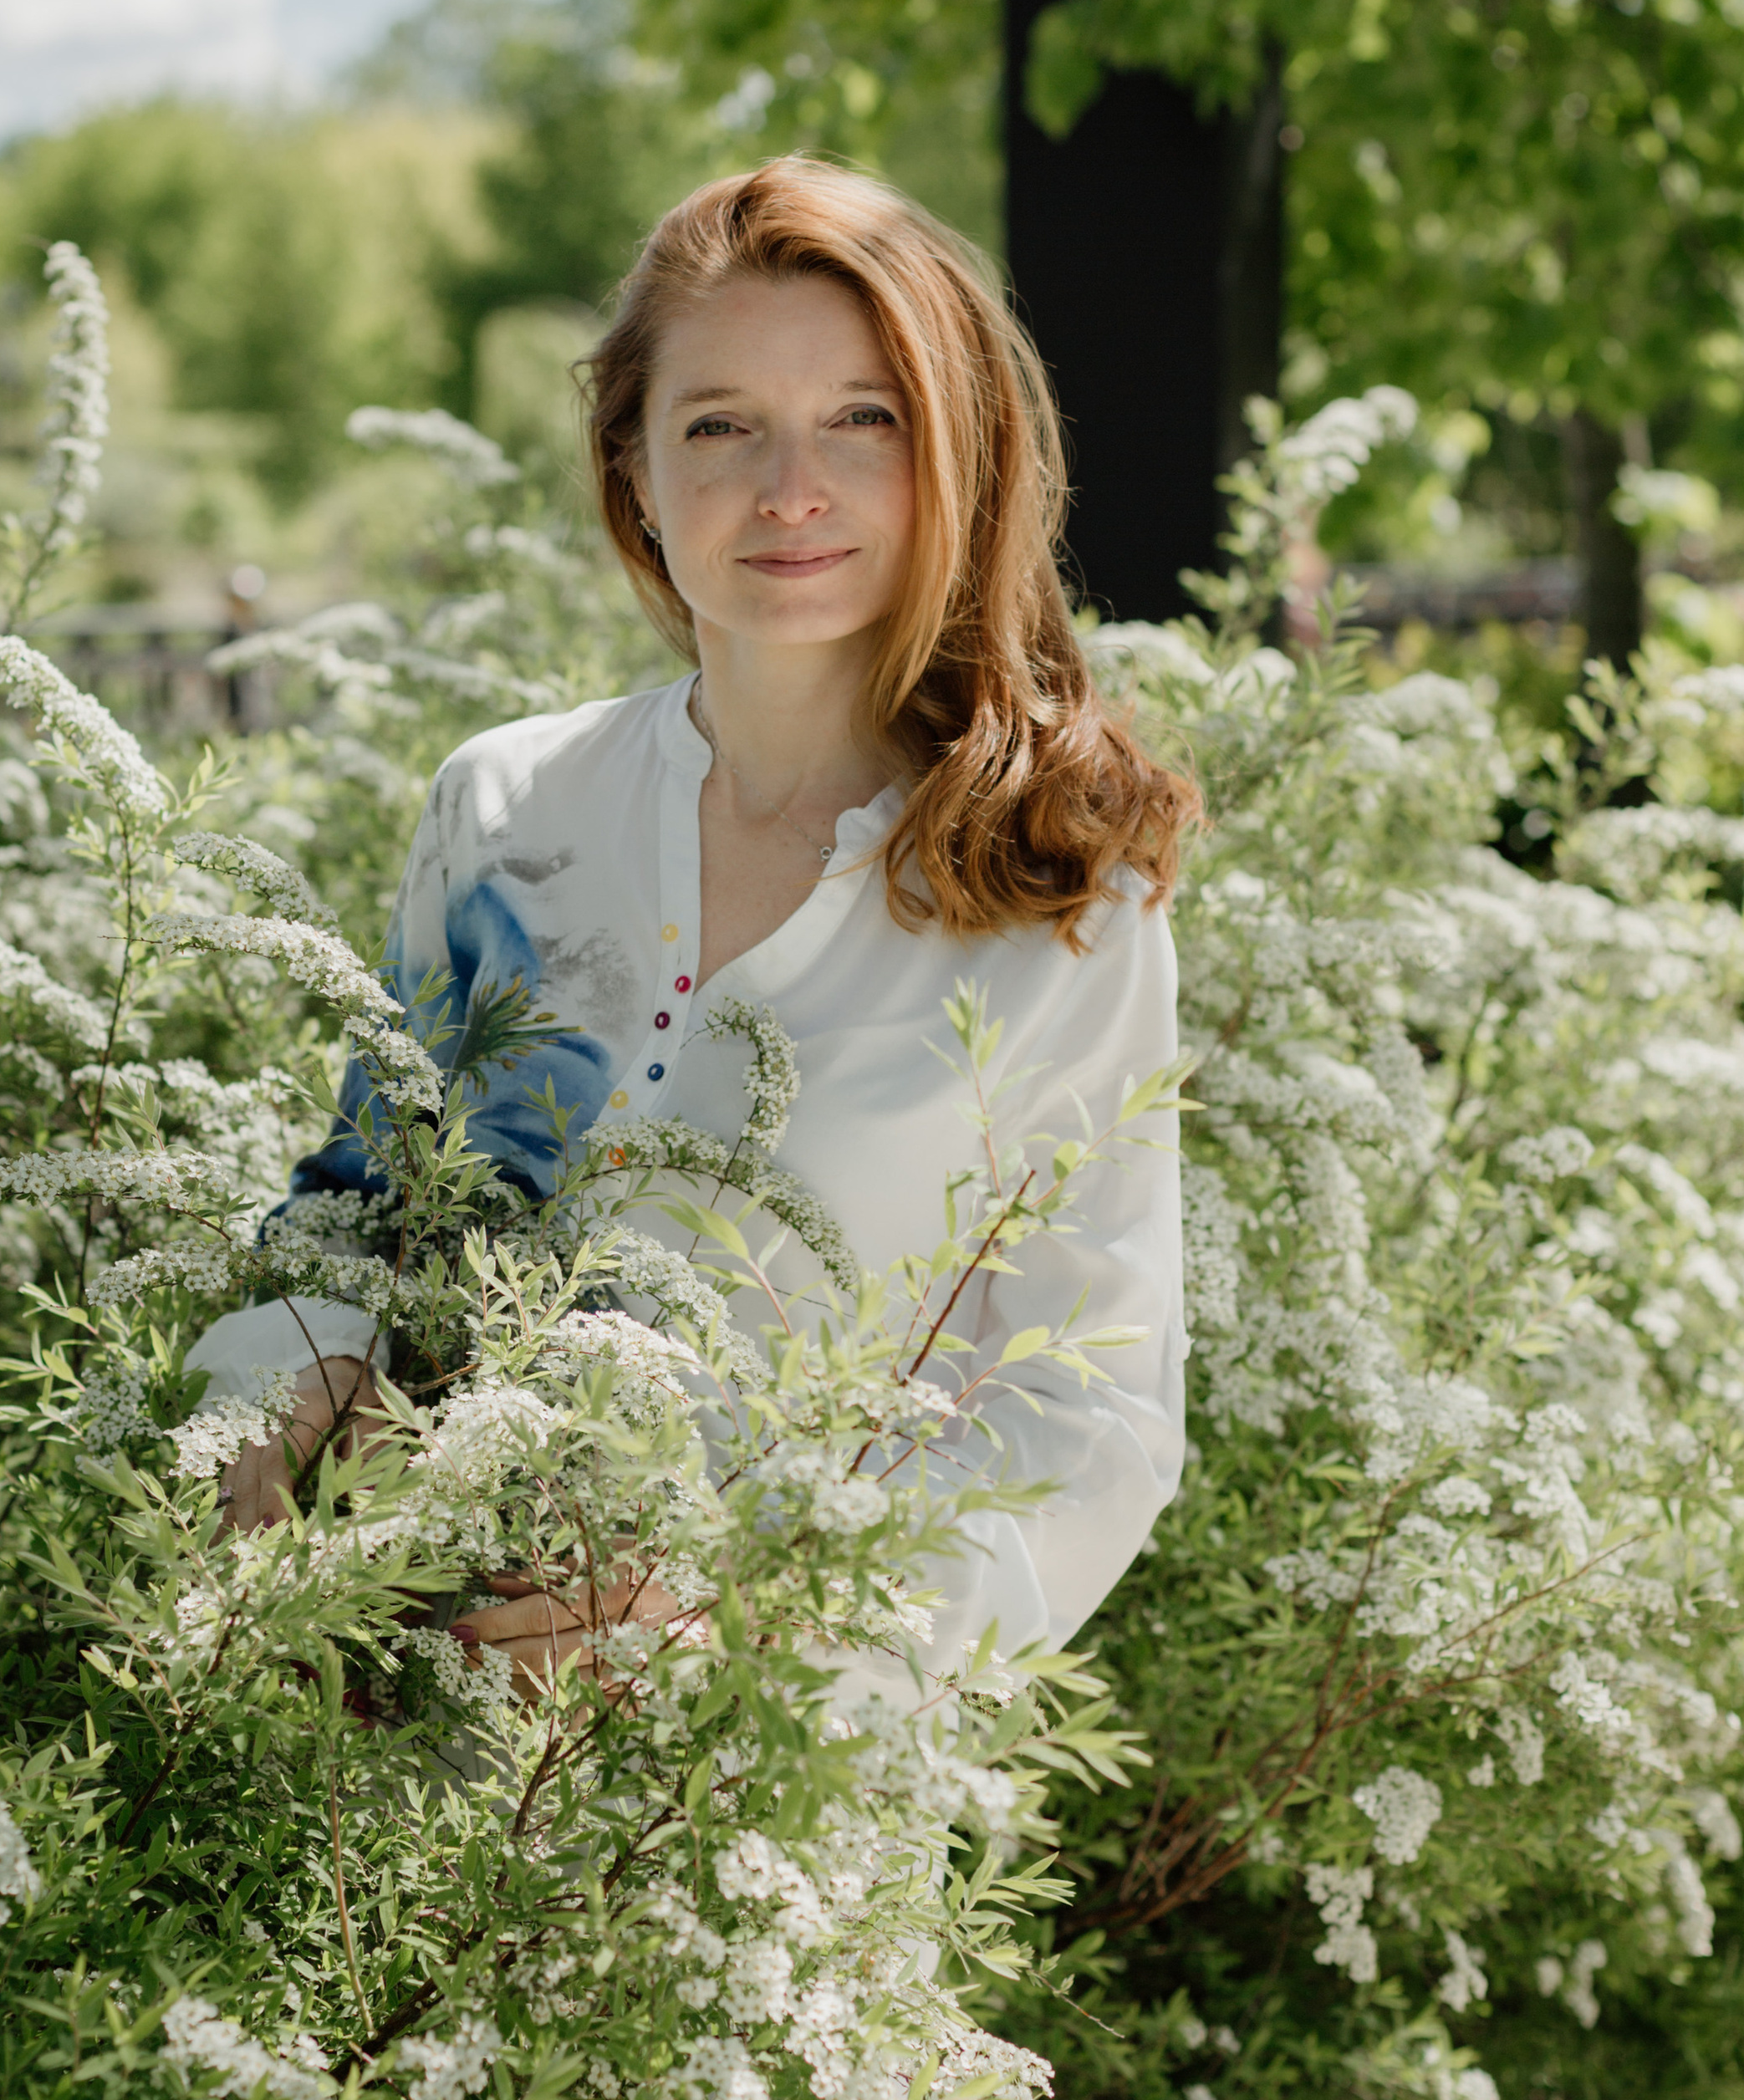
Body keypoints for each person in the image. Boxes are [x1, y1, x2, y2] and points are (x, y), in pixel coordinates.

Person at [190, 155, 1200, 1695]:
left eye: (864, 419)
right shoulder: (502, 815)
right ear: (637, 473)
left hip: (788, 1781)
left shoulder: (1065, 897)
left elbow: (1094, 1423)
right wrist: (280, 1395)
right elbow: (358, 1208)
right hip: (398, 1749)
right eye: (720, 426)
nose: (790, 489)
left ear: (960, 455)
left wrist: (740, 1635)